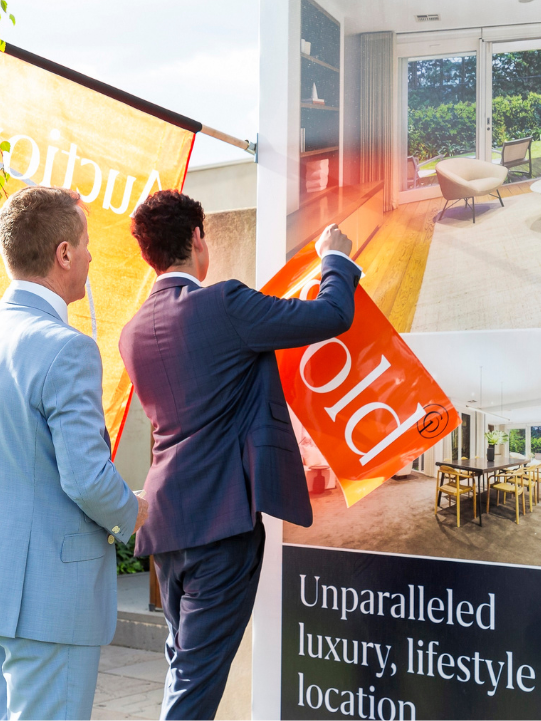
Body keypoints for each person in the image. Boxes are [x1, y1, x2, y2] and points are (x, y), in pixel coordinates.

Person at [119, 189, 360, 719]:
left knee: (184, 668)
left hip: (167, 528)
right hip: (220, 526)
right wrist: (335, 258)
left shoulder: (132, 333)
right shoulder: (223, 303)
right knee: (194, 685)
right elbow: (332, 314)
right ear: (198, 240)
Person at [0, 186, 148, 721]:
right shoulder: (66, 348)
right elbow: (88, 480)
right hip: (51, 600)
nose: (93, 255)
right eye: (87, 242)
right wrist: (139, 517)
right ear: (64, 254)